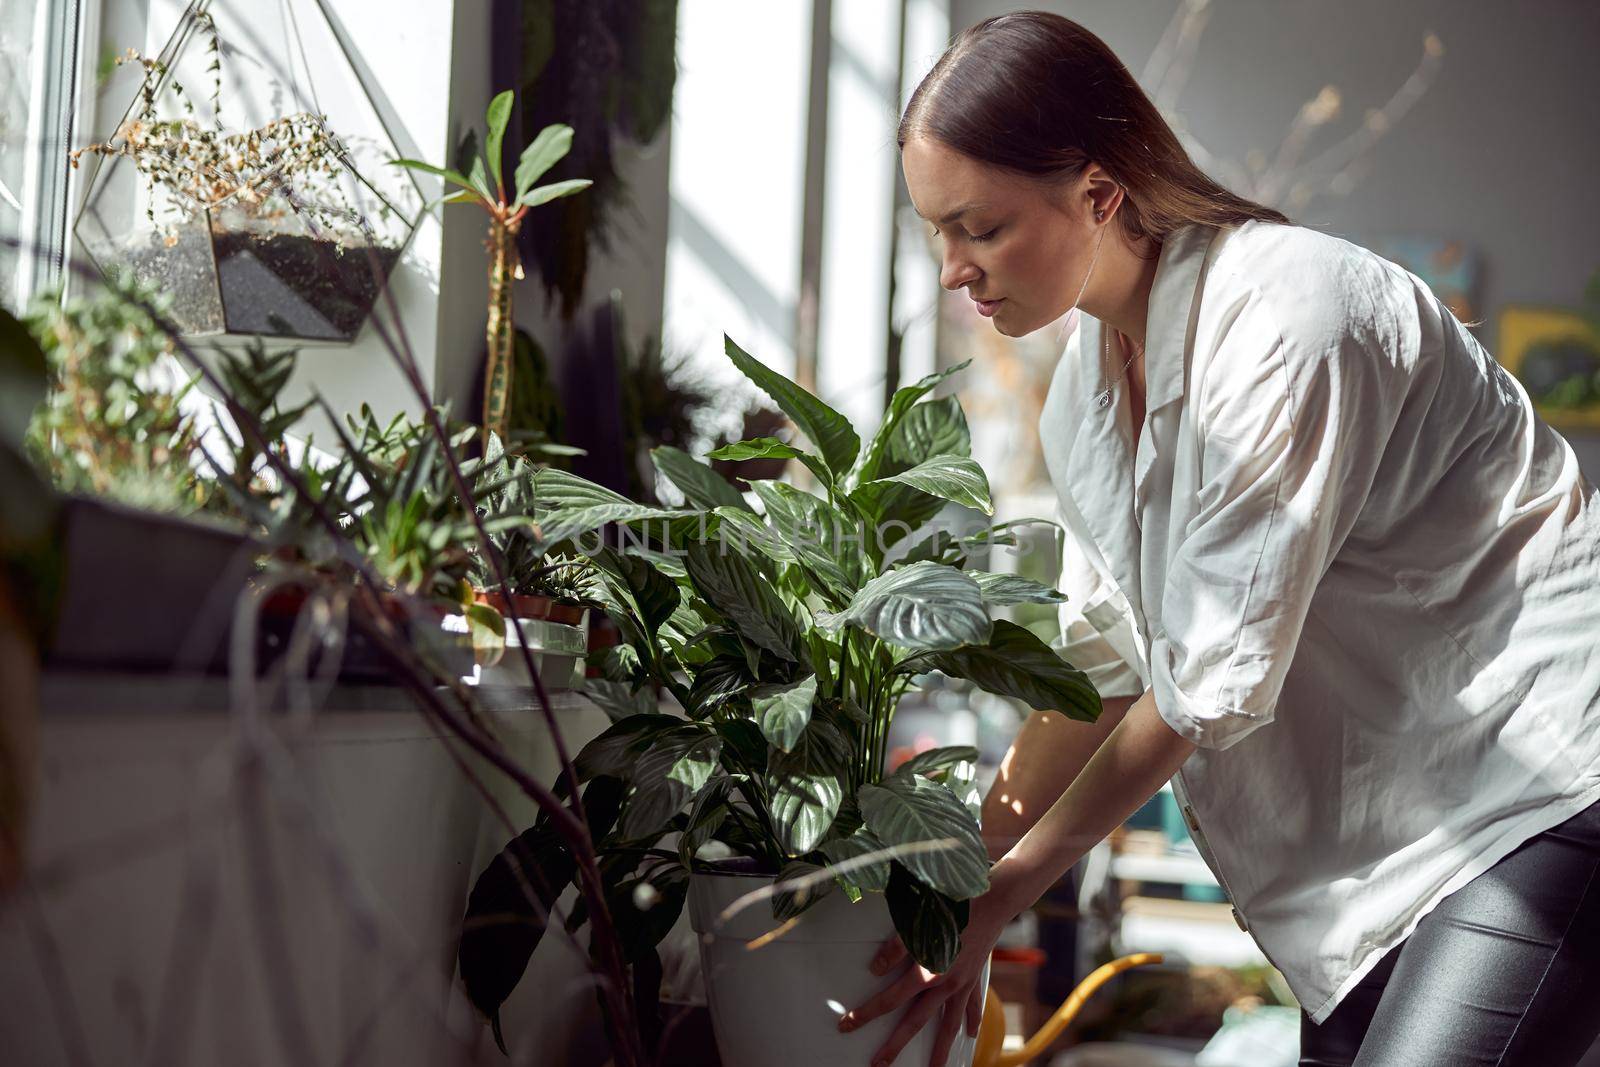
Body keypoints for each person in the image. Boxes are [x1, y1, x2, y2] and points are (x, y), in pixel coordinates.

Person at [835, 11, 1600, 1067]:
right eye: (937, 232)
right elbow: (1108, 663)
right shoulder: (1086, 401)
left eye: (980, 227)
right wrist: (961, 860)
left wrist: (1011, 886)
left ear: (1098, 194)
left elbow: (1204, 678)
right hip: (1389, 836)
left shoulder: (1289, 317)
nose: (952, 270)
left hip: (1539, 780)